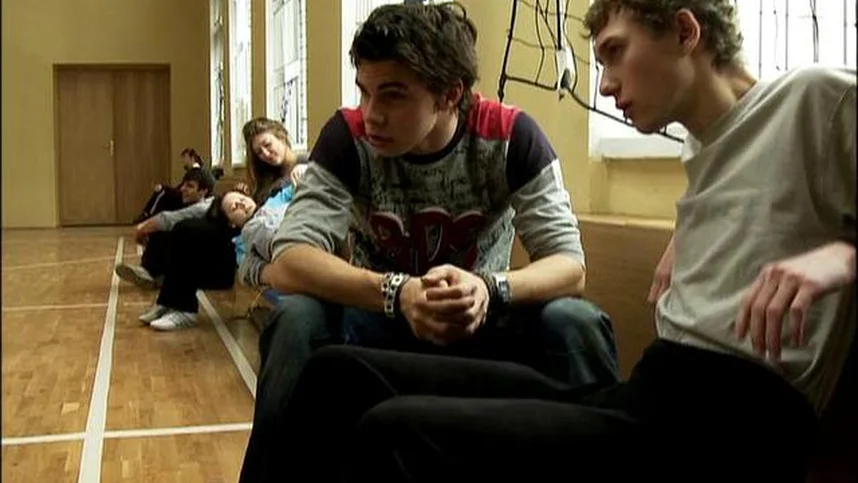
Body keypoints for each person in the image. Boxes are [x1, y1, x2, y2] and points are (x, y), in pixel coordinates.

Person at [248, 1, 856, 482]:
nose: (605, 85)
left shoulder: (816, 96)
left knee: (396, 428)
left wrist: (843, 256)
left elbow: (571, 265)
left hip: (730, 420)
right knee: (334, 375)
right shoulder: (707, 143)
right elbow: (286, 262)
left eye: (615, 53)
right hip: (650, 389)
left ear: (684, 31)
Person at [238, 3, 621, 481]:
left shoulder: (510, 135)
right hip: (378, 318)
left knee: (575, 321)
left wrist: (490, 288)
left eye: (392, 95)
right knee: (296, 318)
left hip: (480, 317)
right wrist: (398, 292)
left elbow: (569, 265)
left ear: (449, 93)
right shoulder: (346, 136)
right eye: (365, 92)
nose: (372, 114)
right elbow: (290, 260)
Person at [133, 118, 306, 331]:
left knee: (188, 229)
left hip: (265, 235)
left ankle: (179, 305)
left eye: (267, 145)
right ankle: (170, 300)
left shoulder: (307, 165)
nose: (265, 154)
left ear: (282, 136)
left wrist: (304, 172)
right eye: (259, 152)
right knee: (184, 228)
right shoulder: (268, 176)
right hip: (249, 227)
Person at [116, 166, 217, 290]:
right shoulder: (207, 203)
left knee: (164, 228)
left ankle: (154, 272)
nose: (183, 189)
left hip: (209, 266)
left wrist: (141, 229)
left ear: (203, 191)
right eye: (183, 184)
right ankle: (161, 275)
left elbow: (166, 219)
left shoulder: (202, 208)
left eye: (190, 186)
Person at [132, 148, 215, 224]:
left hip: (183, 202)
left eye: (185, 158)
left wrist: (164, 188)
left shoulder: (197, 173)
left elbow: (180, 190)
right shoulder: (192, 173)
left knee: (162, 191)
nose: (184, 161)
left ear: (192, 158)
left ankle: (147, 215)